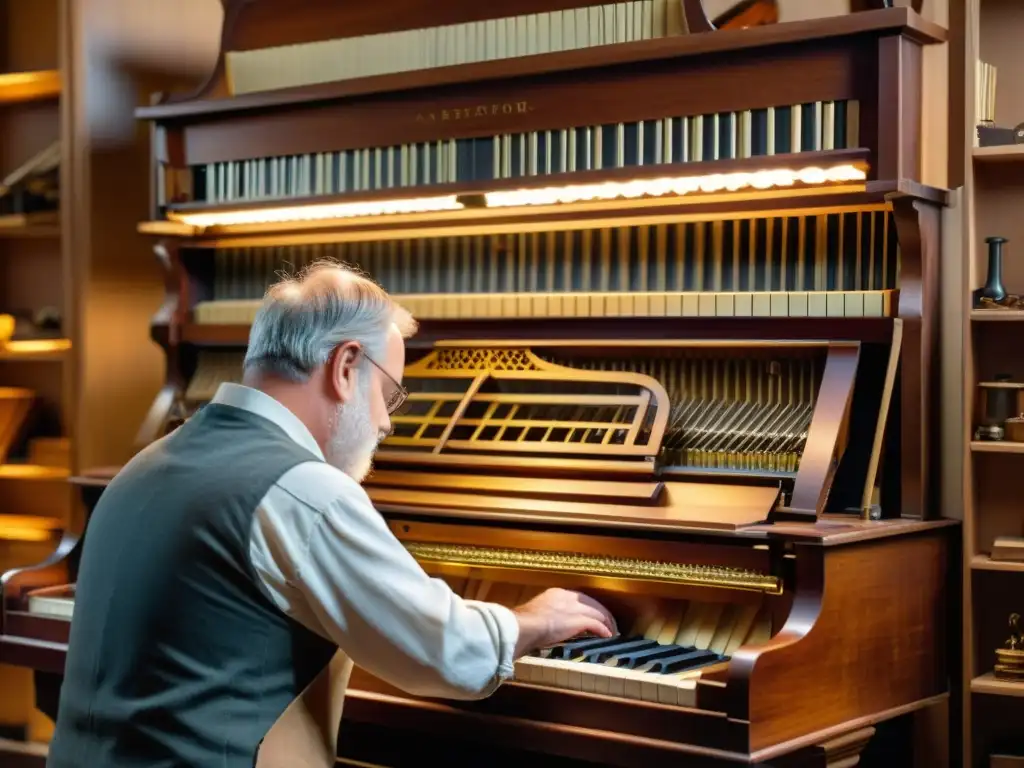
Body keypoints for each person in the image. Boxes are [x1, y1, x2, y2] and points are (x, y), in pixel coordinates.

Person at [46, 261, 617, 768]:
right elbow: (443, 653)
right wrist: (533, 621)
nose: (388, 423)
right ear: (345, 366)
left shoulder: (146, 463)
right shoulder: (301, 488)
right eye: (389, 393)